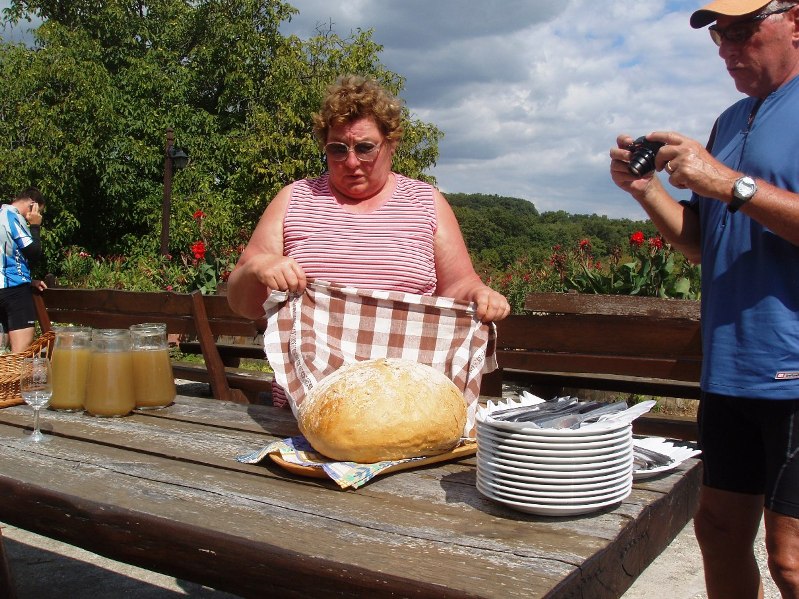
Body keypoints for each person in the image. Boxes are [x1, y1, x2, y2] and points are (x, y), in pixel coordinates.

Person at [610, 1, 799, 597]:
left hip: (795, 374)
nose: (728, 49)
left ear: (795, 20)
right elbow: (699, 242)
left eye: (743, 31)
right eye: (720, 37)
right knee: (718, 531)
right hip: (732, 371)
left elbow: (735, 192)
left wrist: (728, 182)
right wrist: (646, 190)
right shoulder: (732, 119)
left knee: (791, 558)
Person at [228, 75, 510, 324]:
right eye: (338, 149)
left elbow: (459, 284)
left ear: (391, 143)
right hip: (311, 369)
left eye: (365, 148)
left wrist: (480, 294)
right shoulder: (294, 198)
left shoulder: (426, 202)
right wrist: (258, 267)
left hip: (403, 366)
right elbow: (242, 306)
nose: (351, 162)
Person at [0, 187, 47, 353]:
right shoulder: (12, 216)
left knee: (1, 354)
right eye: (39, 211)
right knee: (20, 356)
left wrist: (29, 280)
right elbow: (33, 252)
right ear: (32, 205)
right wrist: (35, 226)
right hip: (14, 291)